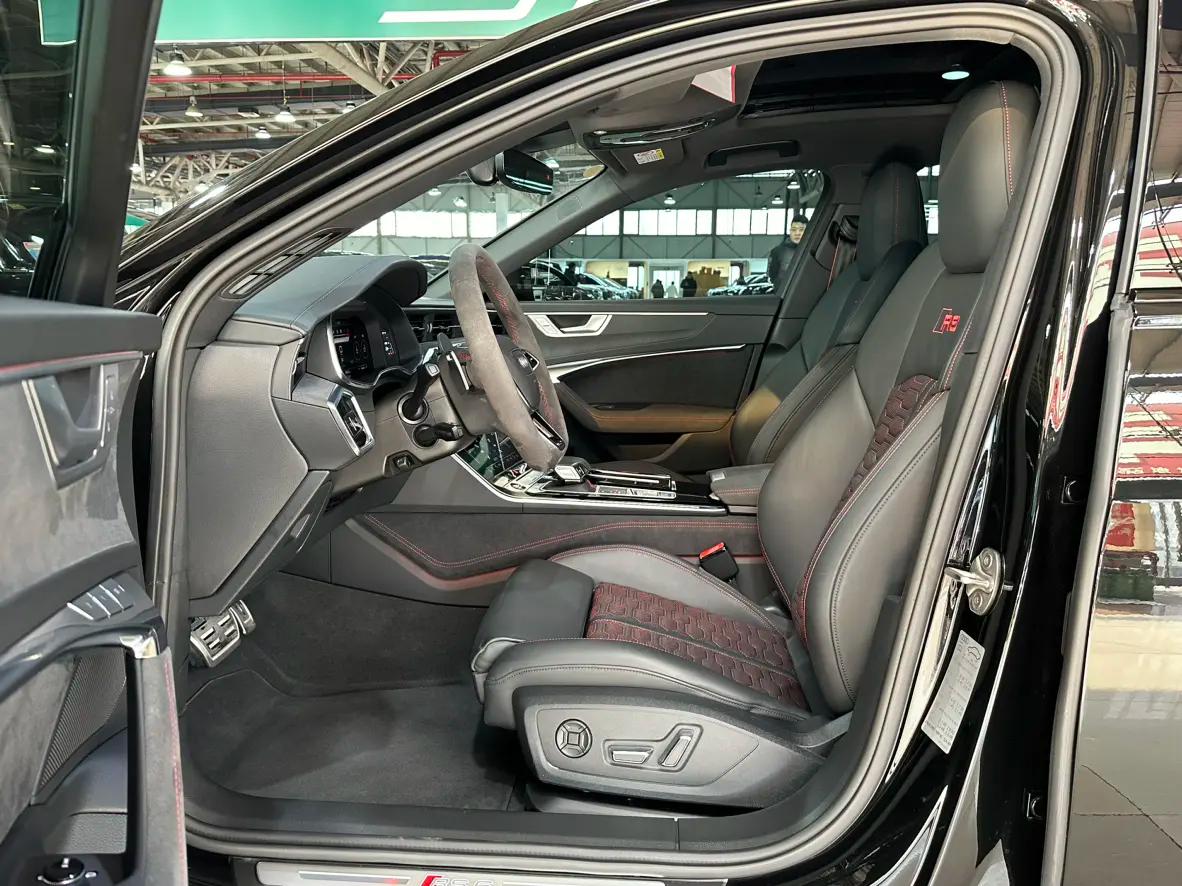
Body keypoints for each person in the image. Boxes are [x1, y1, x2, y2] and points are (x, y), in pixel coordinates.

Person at [767, 214, 809, 287]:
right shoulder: (777, 252)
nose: (797, 233)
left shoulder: (813, 251)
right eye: (794, 230)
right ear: (790, 231)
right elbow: (772, 276)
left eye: (801, 230)